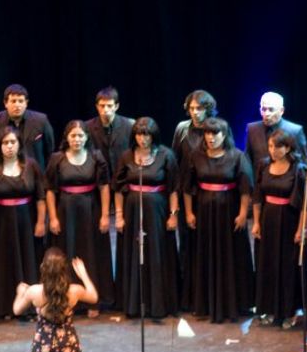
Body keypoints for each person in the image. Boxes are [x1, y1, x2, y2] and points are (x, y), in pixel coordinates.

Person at [183, 117, 254, 323]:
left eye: (215, 134)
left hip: (229, 213)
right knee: (205, 254)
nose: (211, 138)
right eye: (207, 134)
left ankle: (232, 303)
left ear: (225, 135)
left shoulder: (237, 156)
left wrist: (242, 214)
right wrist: (188, 213)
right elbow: (187, 188)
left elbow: (245, 189)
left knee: (229, 255)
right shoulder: (195, 155)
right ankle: (205, 303)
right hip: (204, 213)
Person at [45, 120, 114, 317]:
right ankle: (67, 301)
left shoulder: (96, 157)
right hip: (65, 212)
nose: (77, 139)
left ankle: (93, 301)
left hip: (90, 211)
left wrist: (104, 216)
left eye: (81, 135)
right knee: (67, 253)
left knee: (91, 253)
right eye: (73, 135)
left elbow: (104, 187)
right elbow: (49, 190)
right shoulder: (57, 159)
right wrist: (53, 217)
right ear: (67, 137)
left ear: (86, 138)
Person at [0, 127, 47, 318]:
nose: (9, 146)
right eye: (5, 143)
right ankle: (2, 307)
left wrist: (41, 222)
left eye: (13, 142)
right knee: (2, 264)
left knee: (28, 261)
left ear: (19, 144)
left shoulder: (31, 165)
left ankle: (29, 305)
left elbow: (40, 197)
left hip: (26, 222)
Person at [114, 117, 179, 319]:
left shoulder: (166, 155)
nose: (143, 139)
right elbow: (117, 189)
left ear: (154, 136)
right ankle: (133, 303)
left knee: (157, 253)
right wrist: (119, 216)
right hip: (132, 212)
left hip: (158, 212)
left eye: (147, 135)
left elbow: (174, 188)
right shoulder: (126, 156)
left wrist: (173, 215)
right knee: (134, 254)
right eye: (140, 135)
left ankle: (159, 304)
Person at [251, 129, 307, 328]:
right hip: (268, 219)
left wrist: (301, 230)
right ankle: (270, 309)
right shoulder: (263, 165)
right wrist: (256, 222)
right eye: (271, 146)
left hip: (289, 221)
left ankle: (289, 311)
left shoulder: (298, 169)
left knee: (287, 267)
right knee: (268, 264)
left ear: (288, 148)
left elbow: (303, 205)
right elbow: (257, 197)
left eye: (278, 147)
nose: (273, 151)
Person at [172, 90, 217, 310]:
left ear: (208, 109)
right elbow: (174, 160)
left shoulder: (216, 129)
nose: (195, 112)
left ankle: (208, 292)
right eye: (192, 108)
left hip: (210, 195)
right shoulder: (181, 129)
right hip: (186, 195)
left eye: (199, 108)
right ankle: (188, 294)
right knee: (187, 244)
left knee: (208, 244)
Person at [0, 84, 55, 170]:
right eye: (13, 101)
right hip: (3, 175)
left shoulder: (41, 120)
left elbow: (49, 149)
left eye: (21, 101)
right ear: (5, 103)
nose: (17, 105)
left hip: (34, 174)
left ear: (26, 103)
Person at [244, 91, 307, 176]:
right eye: (263, 109)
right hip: (259, 184)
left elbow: (303, 163)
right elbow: (247, 160)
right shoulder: (252, 129)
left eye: (271, 109)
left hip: (286, 184)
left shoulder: (295, 131)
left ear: (281, 110)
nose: (266, 114)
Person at [84, 86, 135, 179]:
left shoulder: (130, 125)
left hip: (123, 178)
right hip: (98, 179)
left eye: (109, 106)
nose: (105, 109)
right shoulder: (87, 127)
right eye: (102, 106)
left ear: (116, 106)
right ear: (97, 106)